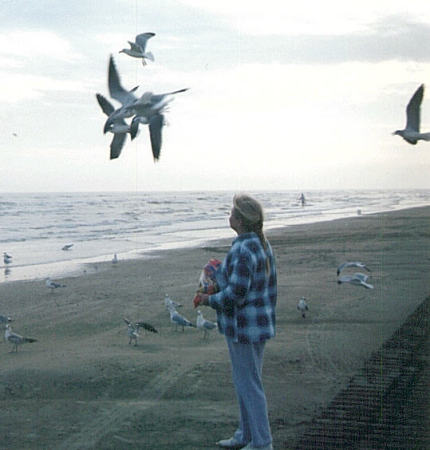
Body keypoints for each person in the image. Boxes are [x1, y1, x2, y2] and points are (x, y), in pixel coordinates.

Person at [196, 193, 277, 450]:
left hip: (245, 327)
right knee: (246, 381)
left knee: (249, 384)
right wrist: (219, 274)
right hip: (257, 324)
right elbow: (255, 287)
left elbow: (235, 295)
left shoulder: (244, 248)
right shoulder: (261, 244)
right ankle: (245, 434)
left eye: (232, 213)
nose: (229, 216)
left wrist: (207, 299)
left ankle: (262, 442)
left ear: (241, 220)